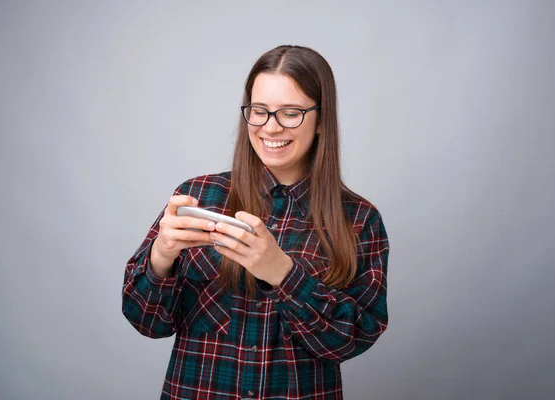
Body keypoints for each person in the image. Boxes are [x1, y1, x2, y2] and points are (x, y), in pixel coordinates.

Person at [122, 45, 389, 400]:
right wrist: (161, 256)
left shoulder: (359, 219)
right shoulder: (197, 195)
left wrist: (282, 273)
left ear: (322, 119)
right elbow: (146, 322)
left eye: (291, 113)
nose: (270, 127)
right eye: (259, 111)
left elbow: (351, 340)